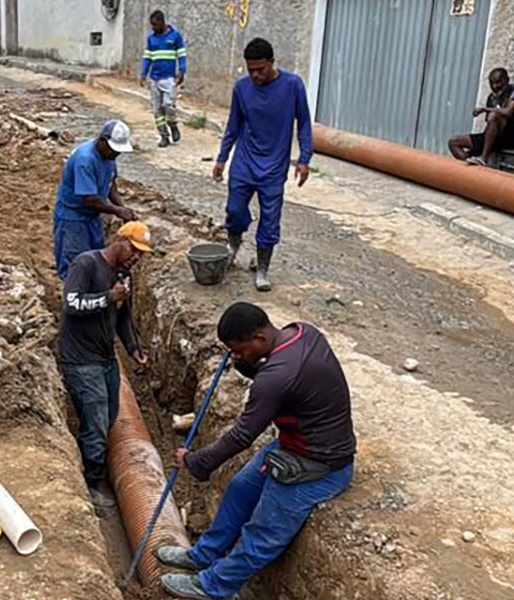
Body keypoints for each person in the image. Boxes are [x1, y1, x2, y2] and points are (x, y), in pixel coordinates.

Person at [155, 303, 355, 600]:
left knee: (262, 532)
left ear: (260, 339)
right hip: (295, 443)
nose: (234, 355)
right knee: (239, 489)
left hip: (318, 465)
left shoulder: (275, 377)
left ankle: (214, 586)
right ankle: (205, 555)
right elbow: (280, 378)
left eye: (238, 349)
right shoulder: (301, 333)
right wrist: (244, 362)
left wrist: (196, 462)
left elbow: (242, 435)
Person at [59, 222, 153, 510]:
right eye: (134, 250)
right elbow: (71, 304)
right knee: (97, 424)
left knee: (109, 416)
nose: (137, 257)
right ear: (120, 240)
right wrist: (109, 296)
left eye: (141, 254)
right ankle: (90, 486)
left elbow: (122, 316)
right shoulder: (86, 264)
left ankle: (96, 465)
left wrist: (133, 348)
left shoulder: (124, 274)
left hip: (106, 357)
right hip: (80, 360)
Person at [213, 38, 312, 292]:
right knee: (234, 210)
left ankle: (263, 267)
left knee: (270, 220)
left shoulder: (292, 85)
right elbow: (233, 125)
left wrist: (304, 159)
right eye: (251, 70)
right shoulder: (241, 89)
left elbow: (304, 123)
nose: (255, 75)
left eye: (261, 69)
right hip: (244, 163)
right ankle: (233, 244)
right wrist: (222, 158)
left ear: (272, 62)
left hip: (273, 168)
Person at [53, 120, 137, 280]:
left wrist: (123, 208)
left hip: (92, 216)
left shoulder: (109, 157)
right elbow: (89, 199)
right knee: (75, 263)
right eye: (114, 150)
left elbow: (111, 184)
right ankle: (74, 300)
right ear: (102, 141)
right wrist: (117, 210)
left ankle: (93, 294)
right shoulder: (85, 159)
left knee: (96, 259)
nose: (116, 154)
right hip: (73, 217)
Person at [448, 68, 514, 166]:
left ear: (507, 80)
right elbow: (489, 121)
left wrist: (485, 109)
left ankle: (483, 157)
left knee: (494, 115)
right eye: (491, 83)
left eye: (498, 82)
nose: (494, 86)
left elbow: (508, 112)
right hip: (493, 137)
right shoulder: (492, 97)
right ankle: (473, 167)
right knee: (453, 142)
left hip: (512, 135)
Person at [140, 10, 187, 148]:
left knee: (168, 105)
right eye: (152, 25)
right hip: (155, 78)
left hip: (169, 79)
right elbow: (147, 57)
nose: (153, 27)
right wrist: (143, 73)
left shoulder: (175, 36)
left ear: (162, 22)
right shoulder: (151, 39)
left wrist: (182, 71)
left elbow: (182, 55)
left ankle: (172, 125)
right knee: (157, 110)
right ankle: (164, 136)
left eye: (155, 24)